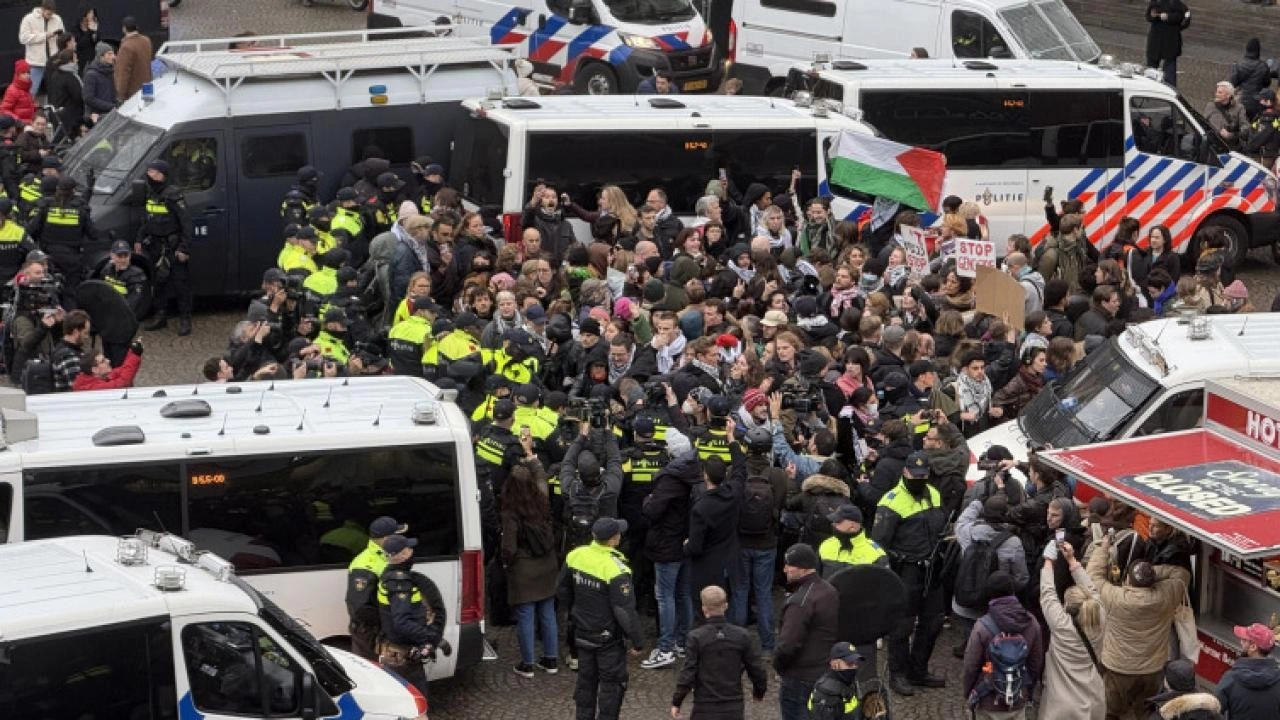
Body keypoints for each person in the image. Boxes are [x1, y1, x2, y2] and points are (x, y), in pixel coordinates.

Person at [1087, 530, 1191, 720]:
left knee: (1111, 711)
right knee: (1147, 711)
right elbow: (1181, 572)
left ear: (1128, 579)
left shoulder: (1115, 597)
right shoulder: (1166, 595)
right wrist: (1152, 572)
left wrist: (1103, 549)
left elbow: (1093, 575)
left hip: (1117, 668)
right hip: (1152, 669)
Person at [872, 451, 949, 696]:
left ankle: (919, 669)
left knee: (933, 621)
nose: (918, 478)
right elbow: (879, 543)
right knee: (901, 626)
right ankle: (898, 673)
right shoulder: (890, 500)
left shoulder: (934, 494)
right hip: (905, 570)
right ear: (905, 472)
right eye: (914, 475)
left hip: (932, 568)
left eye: (923, 475)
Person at [559, 517, 645, 720]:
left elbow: (562, 590)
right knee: (611, 688)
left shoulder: (575, 555)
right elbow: (624, 610)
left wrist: (574, 614)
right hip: (608, 640)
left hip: (582, 633)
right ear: (613, 539)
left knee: (585, 684)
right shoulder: (617, 568)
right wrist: (638, 641)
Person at [641, 428, 701, 671]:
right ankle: (682, 641)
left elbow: (652, 510)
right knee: (683, 594)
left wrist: (648, 500)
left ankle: (665, 647)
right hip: (686, 541)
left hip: (667, 542)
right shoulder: (695, 473)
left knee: (664, 596)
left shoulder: (669, 479)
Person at [502, 455, 561, 678]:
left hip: (524, 570)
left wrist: (506, 563)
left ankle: (528, 664)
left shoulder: (510, 513)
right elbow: (542, 480)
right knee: (548, 612)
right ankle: (551, 659)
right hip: (547, 565)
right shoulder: (542, 501)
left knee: (526, 615)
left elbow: (509, 546)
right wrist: (535, 461)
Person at [670, 585, 768, 720]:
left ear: (704, 608)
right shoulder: (741, 636)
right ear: (726, 606)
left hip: (705, 706)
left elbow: (688, 672)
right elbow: (756, 668)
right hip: (733, 705)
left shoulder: (696, 637)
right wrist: (759, 691)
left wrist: (677, 701)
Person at [961, 570, 1044, 720]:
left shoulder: (982, 626)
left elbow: (970, 666)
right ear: (1013, 591)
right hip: (1018, 698)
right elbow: (1036, 663)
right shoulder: (1032, 623)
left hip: (988, 700)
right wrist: (1028, 691)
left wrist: (969, 692)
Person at [1038, 541, 1105, 720]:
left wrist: (1048, 560)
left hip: (1060, 702)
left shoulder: (1061, 625)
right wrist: (1072, 560)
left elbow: (1047, 593)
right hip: (1092, 696)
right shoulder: (1099, 615)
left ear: (1066, 605)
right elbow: (1092, 590)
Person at [377, 534, 447, 701]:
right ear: (400, 555)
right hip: (402, 658)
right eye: (408, 549)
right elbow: (402, 622)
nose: (412, 551)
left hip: (397, 652)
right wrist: (433, 638)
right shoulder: (399, 582)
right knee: (418, 704)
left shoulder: (390, 575)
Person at [774, 543, 840, 720]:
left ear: (803, 568)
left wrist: (779, 667)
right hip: (825, 673)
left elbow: (787, 646)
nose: (785, 569)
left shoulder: (801, 601)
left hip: (800, 679)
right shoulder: (829, 590)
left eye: (789, 564)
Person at [136, 160, 193, 336]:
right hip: (154, 244)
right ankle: (160, 316)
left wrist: (184, 249)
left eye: (153, 172)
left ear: (163, 175)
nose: (149, 175)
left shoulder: (173, 195)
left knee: (180, 284)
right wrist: (139, 239)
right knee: (158, 283)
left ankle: (185, 320)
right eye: (149, 171)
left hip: (173, 246)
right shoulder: (150, 193)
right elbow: (147, 219)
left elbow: (186, 224)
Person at [345, 516, 408, 661]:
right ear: (385, 539)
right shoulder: (365, 564)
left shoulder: (387, 556)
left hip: (385, 632)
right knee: (377, 675)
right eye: (397, 535)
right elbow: (359, 607)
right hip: (372, 635)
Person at [1216, 622, 1280, 719]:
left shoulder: (1231, 679)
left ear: (1253, 647)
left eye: (1244, 640)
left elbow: (1213, 712)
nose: (1241, 642)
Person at [807, 642, 866, 720]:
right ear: (834, 664)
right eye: (849, 663)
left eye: (856, 663)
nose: (854, 667)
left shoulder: (845, 683)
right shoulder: (828, 693)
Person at [17, 0, 64, 96]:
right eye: (48, 13)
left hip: (53, 61)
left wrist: (60, 36)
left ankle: (49, 110)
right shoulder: (28, 19)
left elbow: (63, 36)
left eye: (52, 13)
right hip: (35, 62)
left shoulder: (57, 19)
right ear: (42, 9)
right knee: (31, 91)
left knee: (54, 91)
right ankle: (27, 110)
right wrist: (45, 36)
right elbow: (23, 38)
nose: (50, 16)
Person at [73, 338, 142, 391]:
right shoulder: (95, 389)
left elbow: (122, 370)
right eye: (103, 361)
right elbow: (123, 382)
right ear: (95, 369)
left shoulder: (97, 378)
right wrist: (135, 355)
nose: (108, 361)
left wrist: (132, 352)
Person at [1145, 0, 1187, 86]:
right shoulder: (1156, 2)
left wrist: (1169, 17)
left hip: (1171, 40)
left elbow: (1184, 18)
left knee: (1169, 71)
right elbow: (1148, 15)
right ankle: (1148, 86)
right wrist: (1154, 16)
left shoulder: (1178, 4)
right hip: (1156, 40)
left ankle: (1169, 90)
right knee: (1151, 69)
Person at [114, 16, 153, 101]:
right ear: (136, 27)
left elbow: (123, 73)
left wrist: (120, 95)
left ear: (124, 29)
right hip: (147, 88)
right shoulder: (146, 40)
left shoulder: (126, 47)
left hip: (133, 94)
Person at [50, 307, 88, 391]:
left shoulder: (69, 350)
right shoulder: (68, 356)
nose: (87, 337)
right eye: (85, 333)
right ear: (75, 332)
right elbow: (78, 387)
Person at [1204, 81, 1249, 149]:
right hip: (1213, 145)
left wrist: (1231, 135)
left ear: (1228, 95)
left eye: (1220, 92)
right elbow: (1203, 123)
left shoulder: (1239, 108)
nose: (1216, 94)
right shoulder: (1210, 106)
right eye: (1217, 92)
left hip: (1230, 146)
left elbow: (1246, 129)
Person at [82, 42, 116, 117]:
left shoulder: (109, 71)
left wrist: (118, 103)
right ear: (101, 56)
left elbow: (111, 93)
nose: (113, 57)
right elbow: (88, 98)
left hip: (109, 114)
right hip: (96, 117)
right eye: (109, 54)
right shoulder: (91, 74)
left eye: (113, 54)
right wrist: (110, 106)